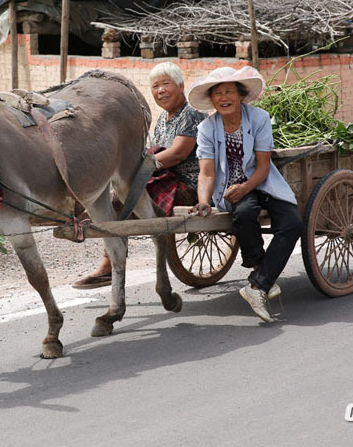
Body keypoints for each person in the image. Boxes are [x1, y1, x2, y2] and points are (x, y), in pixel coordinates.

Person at [72, 62, 206, 289]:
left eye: (166, 84)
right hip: (163, 177)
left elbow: (177, 154)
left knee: (123, 198)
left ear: (181, 86)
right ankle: (111, 258)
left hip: (187, 183)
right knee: (119, 194)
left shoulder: (192, 114)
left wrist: (139, 166)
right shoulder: (163, 118)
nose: (160, 90)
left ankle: (109, 263)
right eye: (155, 86)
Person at [188, 66, 302, 322]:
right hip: (229, 189)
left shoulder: (259, 118)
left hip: (261, 182)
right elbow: (206, 173)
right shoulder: (207, 128)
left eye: (229, 91)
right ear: (212, 99)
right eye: (217, 93)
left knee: (293, 223)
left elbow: (263, 167)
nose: (223, 97)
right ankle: (262, 274)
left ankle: (258, 285)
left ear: (240, 95)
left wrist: (245, 187)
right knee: (244, 214)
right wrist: (204, 201)